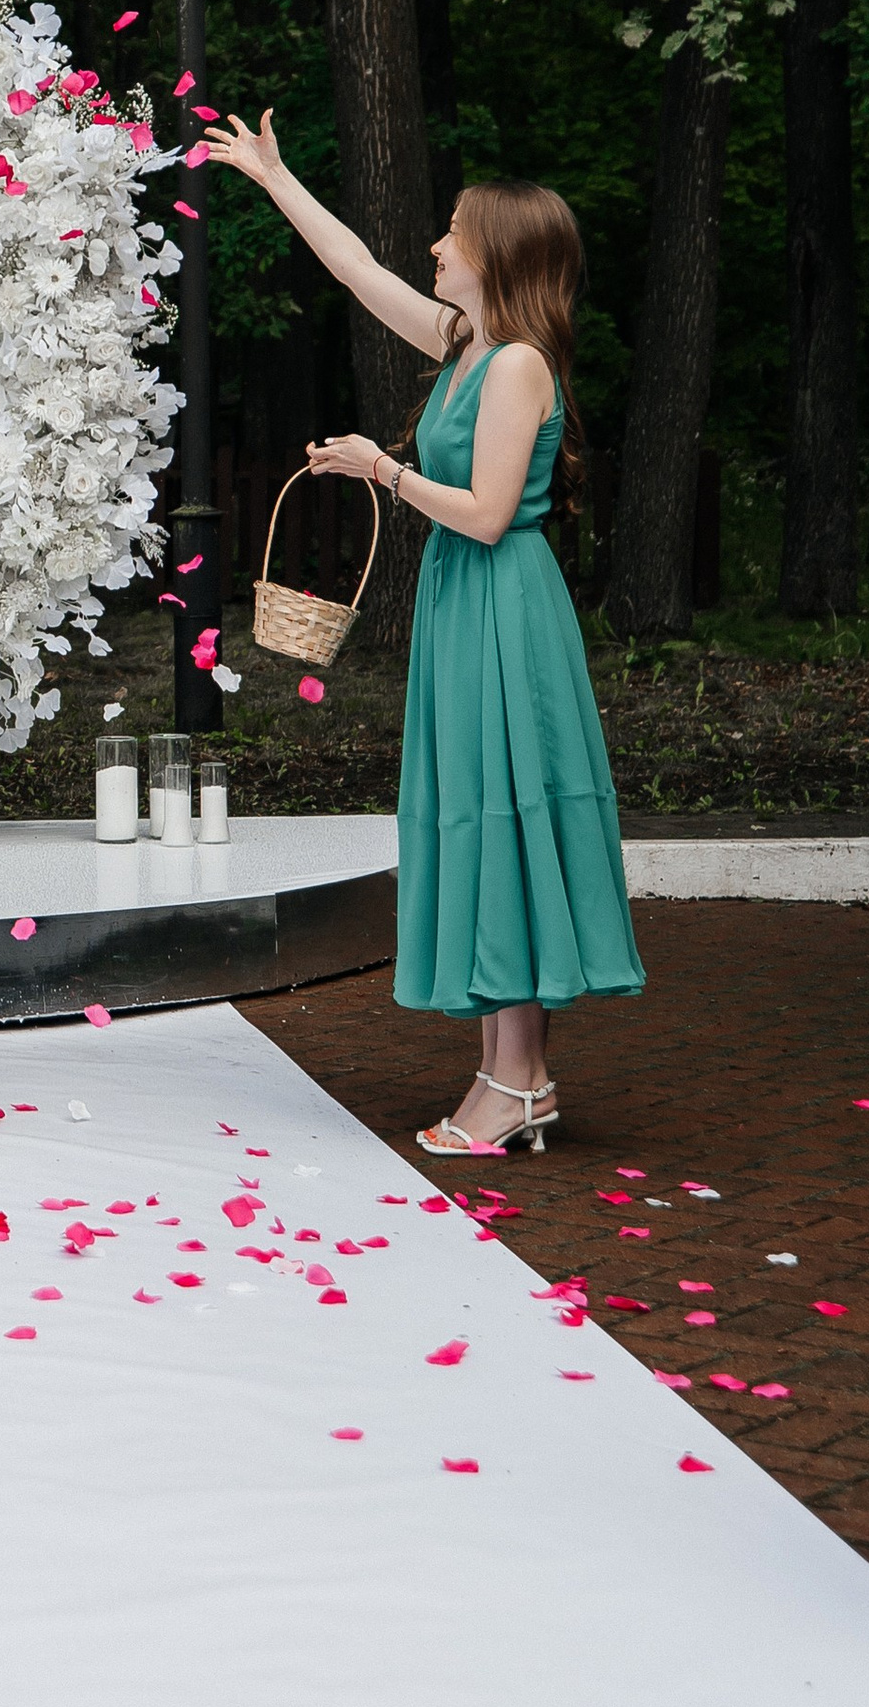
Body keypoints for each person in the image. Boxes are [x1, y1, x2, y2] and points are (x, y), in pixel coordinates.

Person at [198, 113, 642, 1154]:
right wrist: (273, 176)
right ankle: (511, 1076)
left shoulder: (519, 364)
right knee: (482, 815)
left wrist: (382, 470)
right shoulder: (463, 346)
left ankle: (515, 1080)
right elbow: (353, 268)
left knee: (507, 817)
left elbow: (488, 513)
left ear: (496, 257)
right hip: (465, 605)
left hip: (502, 605)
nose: (435, 247)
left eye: (451, 233)